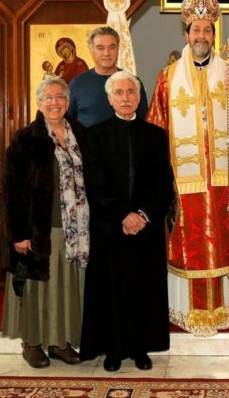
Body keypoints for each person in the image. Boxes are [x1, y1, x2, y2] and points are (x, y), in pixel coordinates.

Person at [147, 0, 229, 336]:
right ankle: (188, 311)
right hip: (185, 179)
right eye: (195, 30)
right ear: (186, 34)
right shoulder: (167, 76)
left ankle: (224, 311)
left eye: (207, 30)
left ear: (213, 33)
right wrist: (162, 175)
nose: (201, 36)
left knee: (223, 241)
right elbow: (156, 126)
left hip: (223, 179)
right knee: (189, 242)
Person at [80, 71, 175, 371]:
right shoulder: (95, 135)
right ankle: (113, 350)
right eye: (119, 93)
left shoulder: (156, 135)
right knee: (112, 290)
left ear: (139, 97)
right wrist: (123, 215)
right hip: (110, 228)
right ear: (109, 99)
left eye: (131, 92)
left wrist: (143, 216)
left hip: (146, 229)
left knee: (143, 289)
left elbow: (164, 185)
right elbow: (94, 185)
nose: (125, 98)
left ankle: (140, 348)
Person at [1, 77, 89, 369]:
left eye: (60, 96)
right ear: (39, 103)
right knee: (37, 288)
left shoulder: (81, 134)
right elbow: (13, 189)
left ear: (68, 101)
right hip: (40, 229)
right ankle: (33, 343)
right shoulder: (26, 138)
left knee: (66, 288)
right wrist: (19, 233)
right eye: (48, 97)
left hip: (76, 231)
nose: (54, 102)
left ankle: (59, 342)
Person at [68, 27, 148, 128]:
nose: (106, 53)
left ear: (118, 49)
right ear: (91, 50)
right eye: (100, 48)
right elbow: (68, 124)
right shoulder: (77, 84)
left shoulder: (132, 82)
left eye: (111, 47)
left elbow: (144, 123)